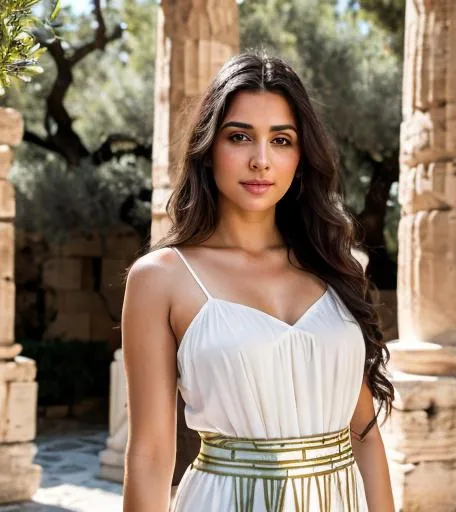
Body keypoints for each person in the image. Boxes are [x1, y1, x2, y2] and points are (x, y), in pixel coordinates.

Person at [122, 51, 395, 512]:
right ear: (209, 150)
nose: (261, 160)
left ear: (301, 156)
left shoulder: (338, 264)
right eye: (240, 137)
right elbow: (150, 455)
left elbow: (364, 435)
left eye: (282, 140)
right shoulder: (161, 279)